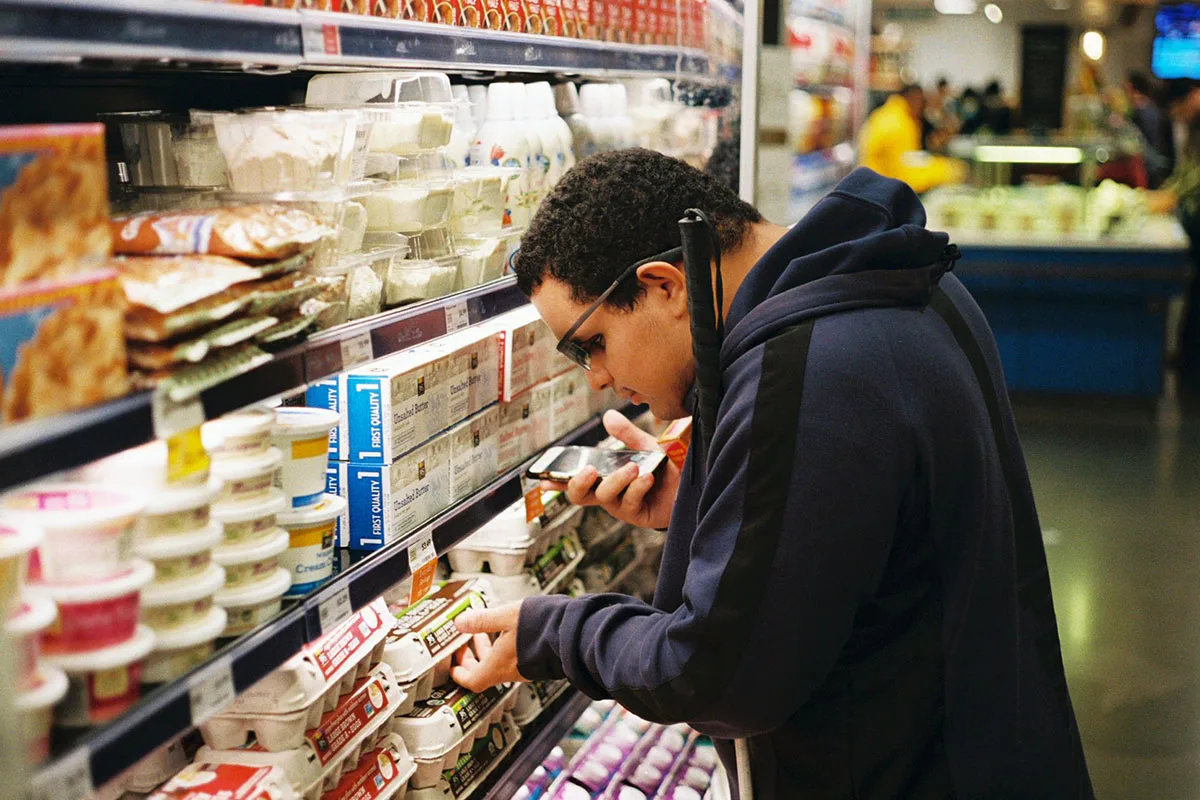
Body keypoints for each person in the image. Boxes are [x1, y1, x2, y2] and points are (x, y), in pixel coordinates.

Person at [449, 148, 1094, 798]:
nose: (600, 380)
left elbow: (713, 678)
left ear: (665, 285)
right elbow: (874, 530)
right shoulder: (906, 286)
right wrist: (712, 499)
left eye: (589, 344)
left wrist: (556, 633)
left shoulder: (807, 369)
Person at [1148, 79, 1200, 381]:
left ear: (1193, 96)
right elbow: (1186, 171)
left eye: (1178, 109)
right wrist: (1167, 193)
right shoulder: (1193, 128)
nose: (1177, 116)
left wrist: (1174, 195)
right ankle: (1186, 359)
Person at [859, 83, 964, 193]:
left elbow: (907, 162)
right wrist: (946, 171)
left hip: (873, 188)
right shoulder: (899, 124)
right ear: (914, 98)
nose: (923, 108)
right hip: (881, 194)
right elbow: (904, 177)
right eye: (922, 102)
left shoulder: (887, 114)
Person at [1127, 70, 1174, 187]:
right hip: (1156, 164)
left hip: (1151, 166)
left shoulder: (1142, 111)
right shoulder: (1151, 108)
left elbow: (1142, 143)